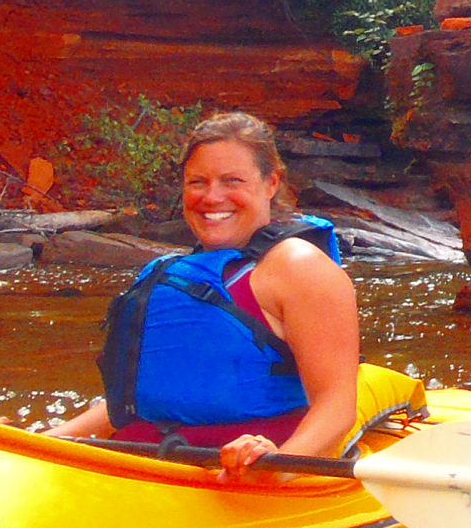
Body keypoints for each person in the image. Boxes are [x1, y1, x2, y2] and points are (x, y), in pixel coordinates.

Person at [47, 111, 361, 478]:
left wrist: (274, 469)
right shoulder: (168, 271)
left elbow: (337, 407)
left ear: (271, 182)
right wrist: (43, 440)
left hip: (251, 467)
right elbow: (141, 402)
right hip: (147, 458)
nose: (212, 197)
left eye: (232, 181)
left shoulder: (299, 266)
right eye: (198, 182)